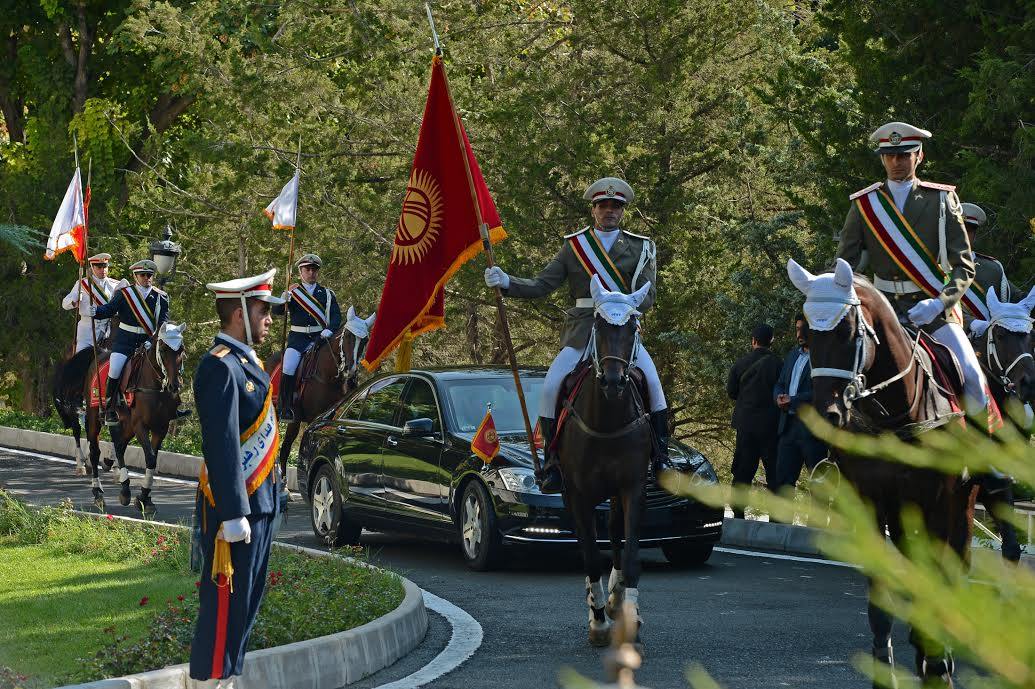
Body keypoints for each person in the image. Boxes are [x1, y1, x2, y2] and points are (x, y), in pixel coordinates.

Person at [484, 177, 669, 493]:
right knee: (552, 384)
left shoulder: (641, 247)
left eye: (616, 206)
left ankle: (661, 460)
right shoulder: (574, 246)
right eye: (604, 206)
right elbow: (543, 284)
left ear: (622, 211)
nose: (609, 211)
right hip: (583, 328)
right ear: (594, 210)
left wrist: (622, 305)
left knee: (653, 384)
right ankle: (552, 462)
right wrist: (506, 282)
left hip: (621, 331)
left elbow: (648, 297)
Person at [835, 121, 988, 414]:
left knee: (973, 379)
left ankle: (982, 454)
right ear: (882, 158)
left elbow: (964, 267)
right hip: (880, 311)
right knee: (834, 375)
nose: (896, 162)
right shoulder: (865, 204)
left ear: (919, 156)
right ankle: (833, 455)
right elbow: (844, 264)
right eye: (890, 156)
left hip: (931, 309)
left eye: (904, 155)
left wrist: (939, 303)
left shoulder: (941, 199)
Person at [190, 268, 284, 688]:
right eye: (264, 311)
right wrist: (232, 511)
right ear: (239, 313)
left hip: (259, 505)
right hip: (236, 510)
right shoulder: (219, 368)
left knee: (246, 603)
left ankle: (228, 677)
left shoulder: (249, 364)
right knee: (225, 603)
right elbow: (223, 443)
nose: (269, 320)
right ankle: (210, 680)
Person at [92, 259, 172, 426]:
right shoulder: (125, 294)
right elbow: (109, 309)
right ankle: (110, 408)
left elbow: (163, 323)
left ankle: (172, 406)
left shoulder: (161, 297)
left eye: (149, 275)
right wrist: (96, 311)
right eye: (142, 275)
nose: (146, 278)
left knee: (171, 364)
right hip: (125, 341)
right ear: (135, 276)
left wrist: (152, 340)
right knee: (115, 367)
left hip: (148, 341)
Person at [272, 253, 341, 421]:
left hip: (320, 340)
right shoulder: (293, 293)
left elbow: (336, 317)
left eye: (314, 270)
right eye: (307, 269)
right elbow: (277, 312)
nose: (311, 273)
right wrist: (283, 300)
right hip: (297, 340)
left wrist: (330, 330)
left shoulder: (327, 294)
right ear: (300, 272)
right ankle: (285, 407)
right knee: (288, 366)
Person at [725, 323, 783, 515]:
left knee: (742, 471)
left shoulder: (740, 363)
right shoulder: (779, 365)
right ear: (771, 341)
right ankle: (775, 518)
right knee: (774, 473)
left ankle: (738, 513)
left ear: (753, 341)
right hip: (770, 427)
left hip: (746, 425)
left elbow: (731, 392)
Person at [773, 314, 827, 490]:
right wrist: (778, 396)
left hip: (812, 430)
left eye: (804, 329)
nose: (799, 334)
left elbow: (824, 391)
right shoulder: (792, 355)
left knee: (818, 486)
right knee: (783, 483)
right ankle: (781, 519)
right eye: (797, 329)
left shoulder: (824, 358)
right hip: (787, 427)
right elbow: (780, 383)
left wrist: (794, 400)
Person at [61, 253, 125, 354]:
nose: (102, 270)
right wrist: (74, 300)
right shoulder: (82, 284)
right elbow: (64, 304)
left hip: (109, 330)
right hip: (88, 330)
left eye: (105, 266)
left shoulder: (115, 285)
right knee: (81, 358)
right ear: (92, 267)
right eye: (99, 267)